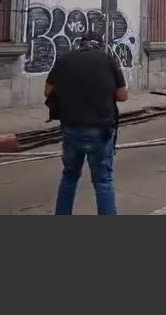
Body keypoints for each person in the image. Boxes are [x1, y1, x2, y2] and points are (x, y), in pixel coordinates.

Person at [45, 36, 127, 215]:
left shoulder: (65, 60)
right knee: (103, 181)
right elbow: (122, 95)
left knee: (69, 176)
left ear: (81, 45)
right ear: (99, 46)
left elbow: (48, 90)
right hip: (100, 130)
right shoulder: (108, 61)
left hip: (71, 128)